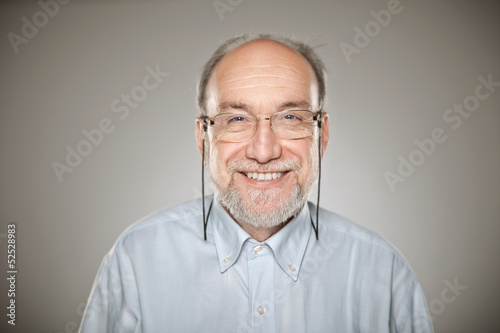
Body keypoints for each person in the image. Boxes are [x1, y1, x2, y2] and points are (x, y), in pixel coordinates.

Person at [79, 34, 433, 333]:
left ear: (321, 135)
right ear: (204, 138)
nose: (264, 151)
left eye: (290, 117)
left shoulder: (383, 271)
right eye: (236, 118)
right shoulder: (136, 260)